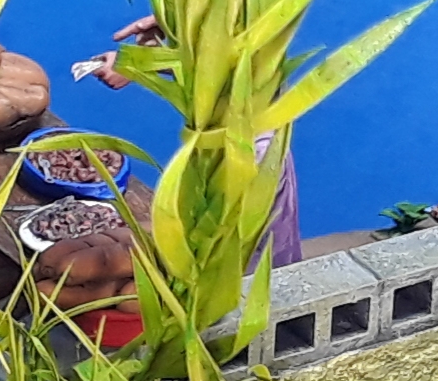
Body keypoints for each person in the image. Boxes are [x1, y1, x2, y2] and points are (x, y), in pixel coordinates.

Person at [89, 14, 302, 267]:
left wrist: (141, 62)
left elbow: (241, 69)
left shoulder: (253, 155)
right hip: (237, 141)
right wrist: (166, 44)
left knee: (249, 261)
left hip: (246, 157)